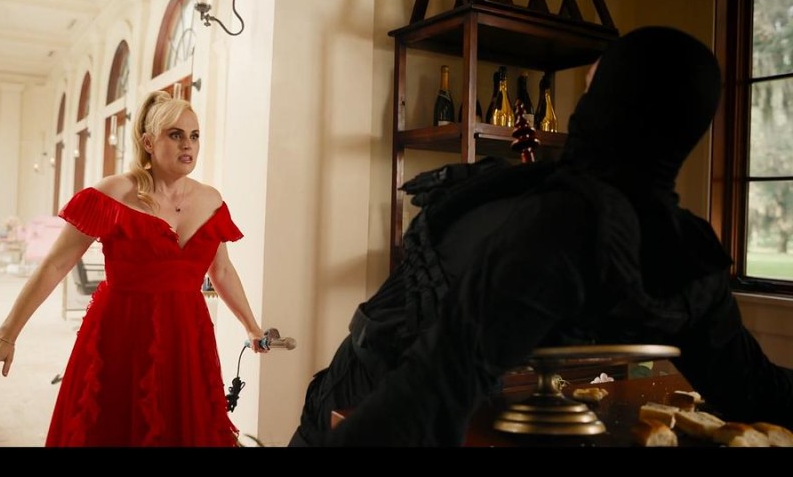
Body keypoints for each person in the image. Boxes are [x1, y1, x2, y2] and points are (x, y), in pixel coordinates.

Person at [289, 26, 793, 447]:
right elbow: (754, 387)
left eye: (594, 88)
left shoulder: (567, 219)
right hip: (376, 387)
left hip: (385, 404)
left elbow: (434, 388)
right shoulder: (685, 252)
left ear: (607, 103)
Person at [0, 90, 267, 447]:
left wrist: (251, 326)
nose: (188, 144)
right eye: (175, 134)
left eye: (194, 135)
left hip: (187, 335)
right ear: (148, 142)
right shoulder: (113, 193)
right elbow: (56, 265)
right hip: (122, 333)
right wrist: (7, 334)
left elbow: (223, 272)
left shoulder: (211, 199)